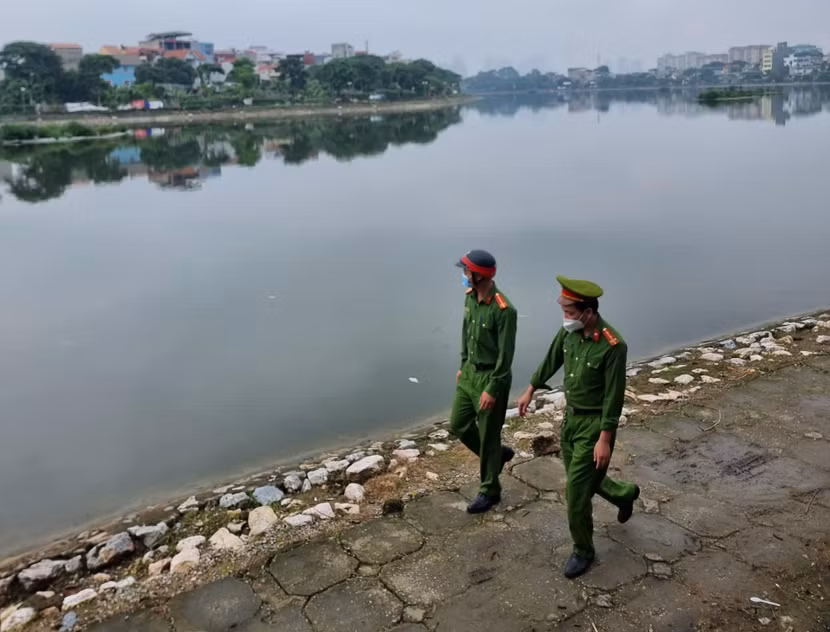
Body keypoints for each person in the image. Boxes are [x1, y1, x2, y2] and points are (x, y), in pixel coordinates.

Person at [517, 275, 639, 579]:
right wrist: (530, 389)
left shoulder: (613, 345)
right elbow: (551, 359)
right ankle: (624, 494)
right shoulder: (568, 333)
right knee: (582, 480)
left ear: (588, 311)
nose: (565, 317)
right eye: (564, 310)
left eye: (570, 312)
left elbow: (614, 396)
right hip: (571, 420)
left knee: (575, 494)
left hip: (594, 425)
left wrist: (604, 439)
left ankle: (583, 550)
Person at [450, 250, 518, 513]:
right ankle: (497, 456)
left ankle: (490, 491)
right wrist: (462, 365)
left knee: (489, 436)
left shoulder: (504, 310)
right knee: (458, 424)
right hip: (469, 373)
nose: (464, 275)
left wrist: (493, 388)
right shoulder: (470, 298)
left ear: (480, 275)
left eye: (467, 271)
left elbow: (505, 356)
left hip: (491, 378)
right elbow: (466, 333)